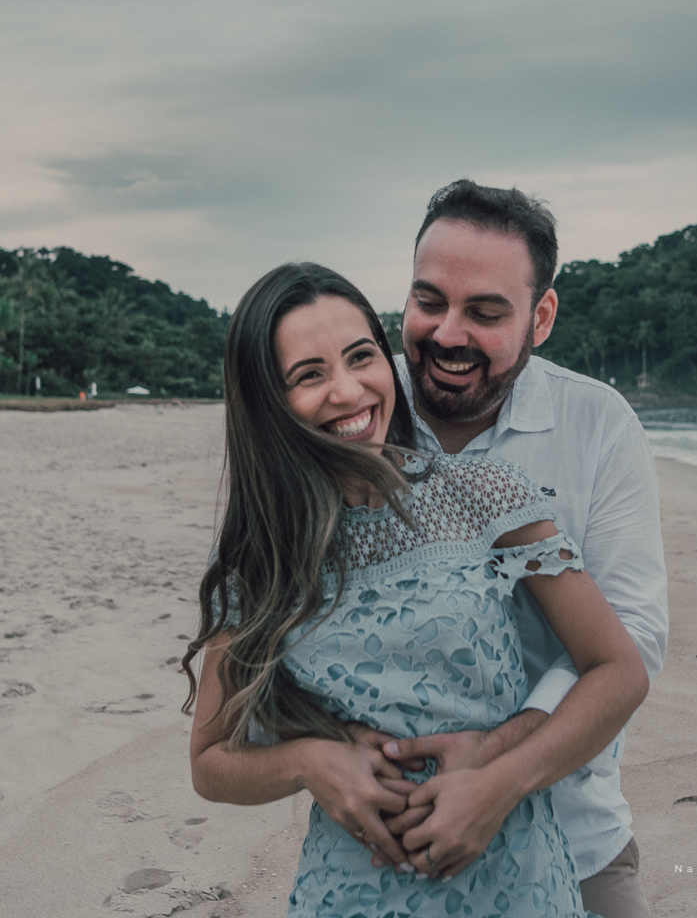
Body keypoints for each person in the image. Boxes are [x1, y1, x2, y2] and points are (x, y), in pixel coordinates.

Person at [183, 261, 649, 917]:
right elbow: (211, 761)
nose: (347, 391)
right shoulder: (257, 559)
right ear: (268, 401)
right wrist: (308, 763)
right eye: (309, 375)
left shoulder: (484, 497)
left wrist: (500, 781)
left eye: (360, 357)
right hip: (351, 894)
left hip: (517, 881)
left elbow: (618, 670)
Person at [364, 180, 668, 918]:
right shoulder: (359, 414)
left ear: (541, 317)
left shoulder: (595, 423)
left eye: (486, 312)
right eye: (428, 301)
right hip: (388, 847)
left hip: (575, 833)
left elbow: (634, 638)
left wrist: (498, 764)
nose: (447, 333)